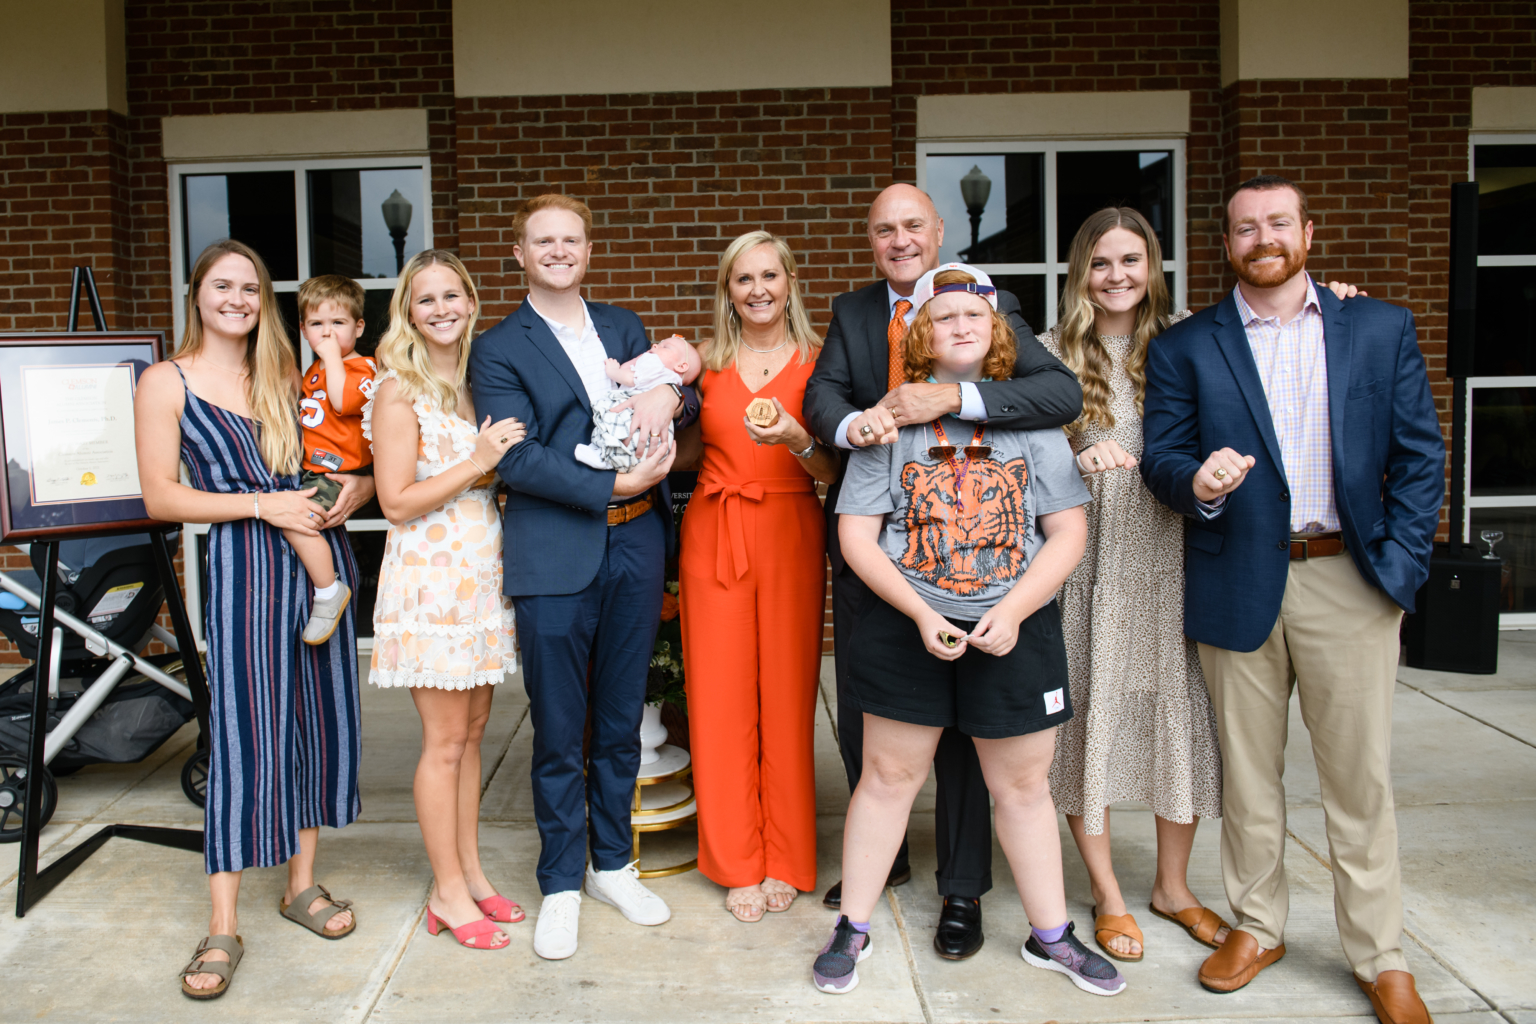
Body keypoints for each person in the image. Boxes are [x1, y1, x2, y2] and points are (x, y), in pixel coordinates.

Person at [1140, 175, 1444, 1024]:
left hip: (1350, 578)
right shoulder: (1188, 345)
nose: (1262, 238)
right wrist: (1194, 482)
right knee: (1249, 779)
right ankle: (1260, 924)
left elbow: (1420, 456)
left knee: (1359, 782)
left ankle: (1381, 955)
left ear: (1308, 230)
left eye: (1278, 223)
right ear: (1227, 244)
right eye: (1245, 228)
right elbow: (1162, 455)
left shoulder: (1378, 327)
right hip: (1236, 576)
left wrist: (1402, 569)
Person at [1044, 207, 1366, 962]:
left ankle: (1173, 887)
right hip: (1091, 561)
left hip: (1185, 552)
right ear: (1080, 274)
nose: (1117, 276)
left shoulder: (1199, 337)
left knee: (1181, 721)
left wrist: (1340, 302)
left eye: (1132, 260)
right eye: (1100, 263)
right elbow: (1020, 464)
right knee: (1090, 720)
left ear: (1154, 266)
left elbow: (1295, 351)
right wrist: (1071, 466)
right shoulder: (1051, 354)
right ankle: (1109, 895)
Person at [815, 264, 1123, 999]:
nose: (960, 326)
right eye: (944, 315)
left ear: (997, 334)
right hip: (906, 618)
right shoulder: (889, 425)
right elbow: (857, 535)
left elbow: (1067, 535)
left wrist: (1013, 612)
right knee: (888, 779)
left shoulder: (1035, 425)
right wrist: (921, 613)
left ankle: (1051, 935)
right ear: (923, 331)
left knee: (1021, 787)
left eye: (974, 317)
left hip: (1013, 626)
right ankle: (852, 926)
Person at [134, 239, 373, 999]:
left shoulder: (281, 373)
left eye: (250, 287)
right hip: (242, 574)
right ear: (197, 292)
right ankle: (223, 924)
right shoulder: (164, 381)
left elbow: (348, 453)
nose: (237, 298)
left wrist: (357, 492)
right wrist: (261, 503)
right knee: (245, 734)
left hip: (317, 568)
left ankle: (302, 885)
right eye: (222, 285)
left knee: (312, 722)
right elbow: (162, 499)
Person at [468, 193, 700, 961]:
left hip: (637, 550)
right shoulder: (498, 348)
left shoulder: (624, 325)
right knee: (561, 730)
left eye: (571, 239)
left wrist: (674, 392)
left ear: (588, 250)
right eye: (543, 240)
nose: (559, 250)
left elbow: (679, 392)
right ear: (521, 254)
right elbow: (517, 456)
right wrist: (615, 488)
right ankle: (561, 882)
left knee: (622, 719)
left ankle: (614, 865)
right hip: (556, 552)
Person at [674, 231, 839, 922]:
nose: (758, 289)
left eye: (769, 275)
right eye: (743, 279)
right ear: (727, 290)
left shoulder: (819, 364)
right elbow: (676, 455)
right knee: (718, 701)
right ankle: (738, 860)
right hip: (715, 531)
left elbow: (832, 471)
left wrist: (796, 438)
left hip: (791, 532)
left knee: (786, 695)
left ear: (790, 281)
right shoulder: (703, 364)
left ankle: (786, 854)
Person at [366, 249, 525, 950]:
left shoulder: (471, 380)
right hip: (430, 582)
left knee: (472, 738)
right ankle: (446, 893)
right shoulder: (398, 389)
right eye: (425, 299)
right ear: (407, 310)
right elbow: (397, 501)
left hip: (480, 577)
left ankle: (471, 874)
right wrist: (478, 462)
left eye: (452, 296)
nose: (441, 310)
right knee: (443, 742)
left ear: (471, 301)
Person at [287, 274, 376, 645]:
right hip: (313, 469)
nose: (327, 334)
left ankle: (329, 591)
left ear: (358, 327)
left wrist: (329, 360)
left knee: (297, 521)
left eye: (337, 323)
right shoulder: (314, 370)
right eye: (317, 324)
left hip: (341, 472)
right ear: (303, 330)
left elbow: (341, 402)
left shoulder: (364, 368)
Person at [575, 335, 703, 470]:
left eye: (665, 347)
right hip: (658, 430)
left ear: (681, 366)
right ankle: (622, 464)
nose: (655, 345)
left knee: (615, 428)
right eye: (659, 343)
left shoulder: (655, 365)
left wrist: (613, 371)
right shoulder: (671, 379)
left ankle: (605, 458)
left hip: (634, 414)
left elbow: (630, 378)